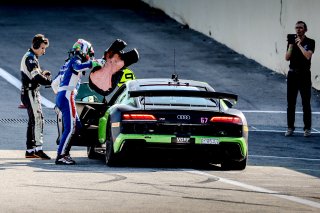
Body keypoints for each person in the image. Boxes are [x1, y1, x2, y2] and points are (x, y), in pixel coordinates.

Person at [55, 39, 100, 165]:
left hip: (64, 95)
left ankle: (65, 152)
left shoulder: (69, 62)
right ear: (84, 50)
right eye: (89, 54)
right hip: (67, 96)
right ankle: (61, 155)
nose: (89, 56)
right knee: (70, 128)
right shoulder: (75, 60)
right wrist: (93, 63)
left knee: (77, 127)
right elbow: (77, 67)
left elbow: (55, 83)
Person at [20, 34, 52, 159]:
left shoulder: (31, 57)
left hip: (30, 92)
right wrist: (50, 81)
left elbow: (36, 75)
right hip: (30, 93)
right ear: (35, 46)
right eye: (42, 48)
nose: (44, 52)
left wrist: (43, 75)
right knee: (38, 120)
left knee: (33, 121)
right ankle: (38, 149)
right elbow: (37, 77)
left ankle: (30, 150)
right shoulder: (31, 59)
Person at [285, 21, 315, 137]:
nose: (298, 30)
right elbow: (287, 58)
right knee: (291, 103)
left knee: (306, 103)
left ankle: (307, 128)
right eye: (296, 27)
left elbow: (308, 56)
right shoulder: (292, 41)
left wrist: (299, 45)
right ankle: (290, 127)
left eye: (301, 28)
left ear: (305, 29)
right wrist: (291, 45)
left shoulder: (310, 42)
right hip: (293, 74)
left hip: (304, 75)